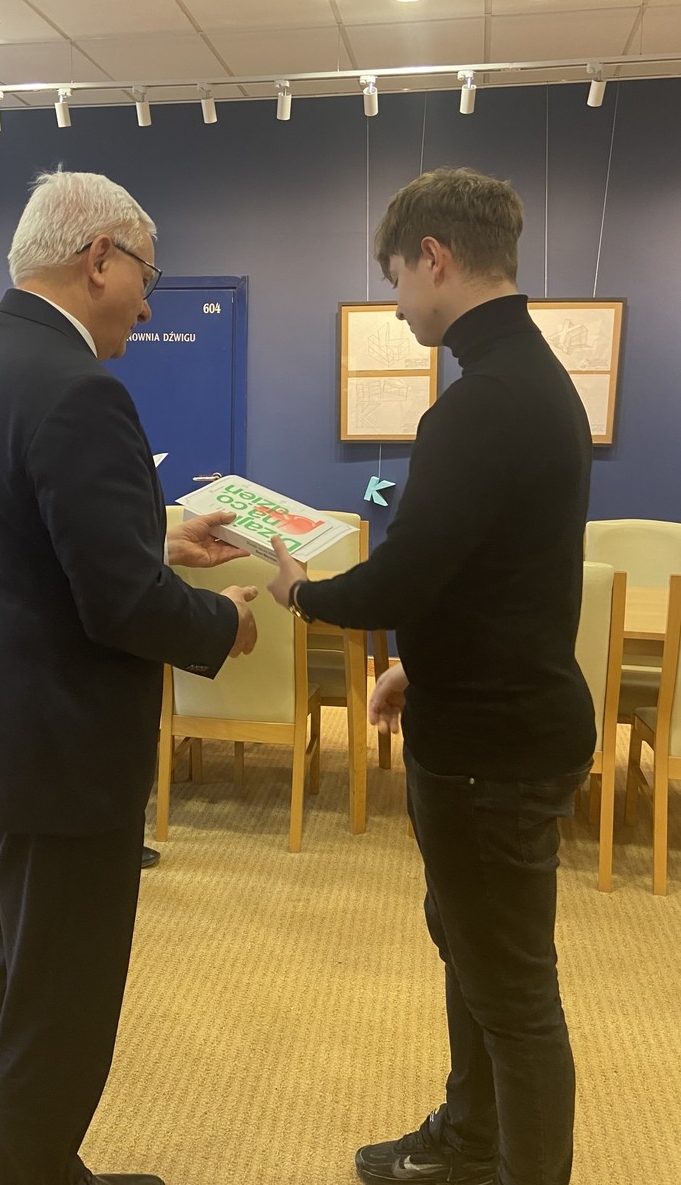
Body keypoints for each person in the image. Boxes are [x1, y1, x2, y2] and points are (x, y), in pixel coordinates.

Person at [0, 169, 258, 1185]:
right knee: (62, 1006)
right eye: (147, 275)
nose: (148, 306)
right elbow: (119, 607)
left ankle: (33, 1166)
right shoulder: (80, 390)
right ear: (99, 258)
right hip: (62, 759)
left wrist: (155, 539)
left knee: (20, 975)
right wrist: (225, 621)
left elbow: (26, 543)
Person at [268, 167, 595, 1185]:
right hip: (496, 721)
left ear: (434, 259)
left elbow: (403, 576)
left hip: (491, 753)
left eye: (397, 281)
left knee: (514, 995)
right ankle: (468, 1140)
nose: (400, 305)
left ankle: (496, 1154)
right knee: (473, 951)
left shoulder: (480, 405)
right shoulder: (530, 381)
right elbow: (495, 574)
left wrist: (298, 592)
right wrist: (420, 661)